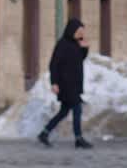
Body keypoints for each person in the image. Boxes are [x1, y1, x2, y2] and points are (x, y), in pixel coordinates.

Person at [38, 18, 93, 149]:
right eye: (79, 31)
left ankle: (44, 133)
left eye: (82, 31)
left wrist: (85, 49)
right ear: (72, 30)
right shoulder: (62, 44)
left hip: (75, 83)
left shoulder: (76, 44)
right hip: (65, 84)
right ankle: (78, 138)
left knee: (64, 112)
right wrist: (54, 83)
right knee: (77, 109)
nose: (81, 34)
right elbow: (54, 64)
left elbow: (80, 59)